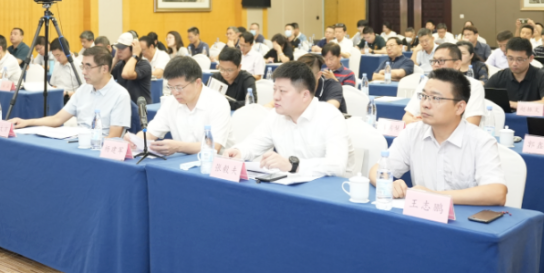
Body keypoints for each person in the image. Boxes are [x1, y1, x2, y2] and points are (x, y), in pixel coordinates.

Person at [372, 69, 506, 205]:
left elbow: (497, 193)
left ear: (459, 107)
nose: (425, 104)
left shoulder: (481, 141)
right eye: (423, 96)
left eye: (436, 98)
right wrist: (389, 184)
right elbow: (376, 171)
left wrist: (434, 196)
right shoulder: (412, 132)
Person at [224, 61, 353, 177]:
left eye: (282, 91)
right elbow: (254, 143)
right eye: (274, 90)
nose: (275, 97)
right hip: (290, 186)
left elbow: (336, 166)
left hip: (328, 190)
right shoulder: (276, 115)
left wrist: (293, 165)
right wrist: (238, 151)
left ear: (304, 95)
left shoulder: (330, 117)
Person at [9, 47, 130, 138]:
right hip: (78, 142)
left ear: (104, 69)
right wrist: (27, 122)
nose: (83, 72)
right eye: (82, 66)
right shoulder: (83, 90)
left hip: (98, 149)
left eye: (88, 67)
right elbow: (57, 119)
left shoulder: (120, 95)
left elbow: (114, 137)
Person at [140, 56, 232, 156]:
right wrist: (134, 141)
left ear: (197, 83)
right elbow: (150, 133)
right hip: (184, 160)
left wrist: (178, 147)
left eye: (179, 87)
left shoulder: (218, 102)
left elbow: (214, 146)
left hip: (215, 161)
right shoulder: (171, 102)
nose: (175, 92)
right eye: (170, 87)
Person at [402, 43, 486, 127]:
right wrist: (416, 122)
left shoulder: (473, 86)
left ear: (457, 64)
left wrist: (431, 124)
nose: (436, 64)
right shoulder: (426, 82)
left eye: (441, 61)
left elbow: (472, 125)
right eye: (434, 61)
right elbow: (406, 117)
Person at [486, 37, 544, 112]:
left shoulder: (541, 76)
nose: (514, 63)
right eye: (510, 58)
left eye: (519, 59)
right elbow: (482, 97)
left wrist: (515, 105)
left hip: (531, 118)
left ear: (531, 58)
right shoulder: (499, 76)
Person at [111, 32, 152, 105]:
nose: (119, 50)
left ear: (132, 48)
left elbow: (126, 74)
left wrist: (135, 55)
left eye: (122, 48)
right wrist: (115, 59)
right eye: (118, 48)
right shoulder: (121, 64)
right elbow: (103, 76)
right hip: (125, 106)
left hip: (140, 108)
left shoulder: (144, 64)